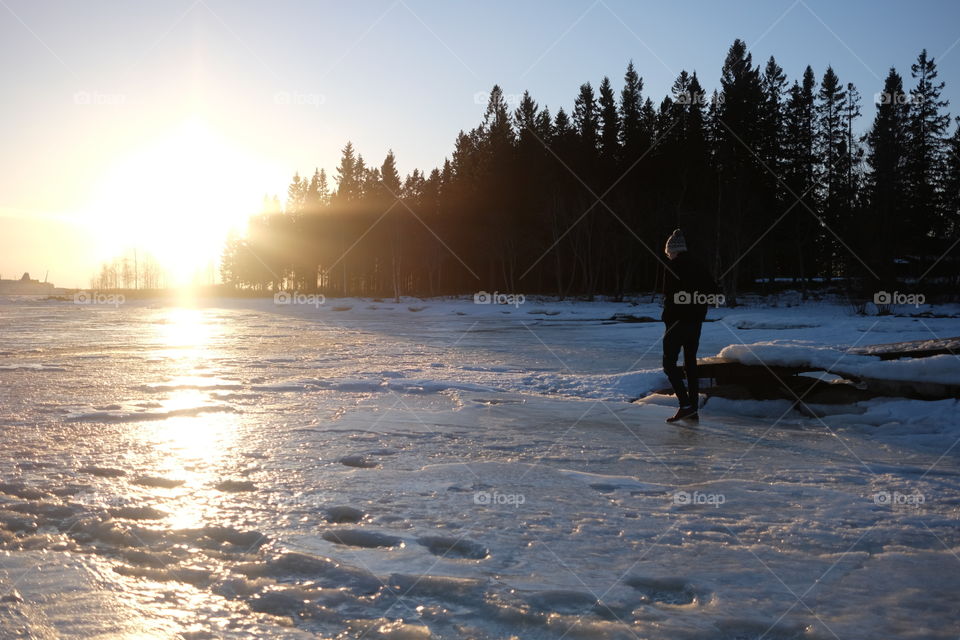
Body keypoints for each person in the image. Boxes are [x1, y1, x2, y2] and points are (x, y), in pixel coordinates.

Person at [660, 229, 715, 423]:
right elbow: (714, 291)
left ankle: (685, 405)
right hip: (695, 322)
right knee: (690, 362)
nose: (669, 255)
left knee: (669, 364)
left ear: (674, 250)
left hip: (677, 322)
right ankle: (692, 408)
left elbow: (669, 295)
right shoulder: (700, 266)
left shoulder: (673, 266)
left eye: (669, 252)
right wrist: (698, 306)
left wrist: (670, 313)